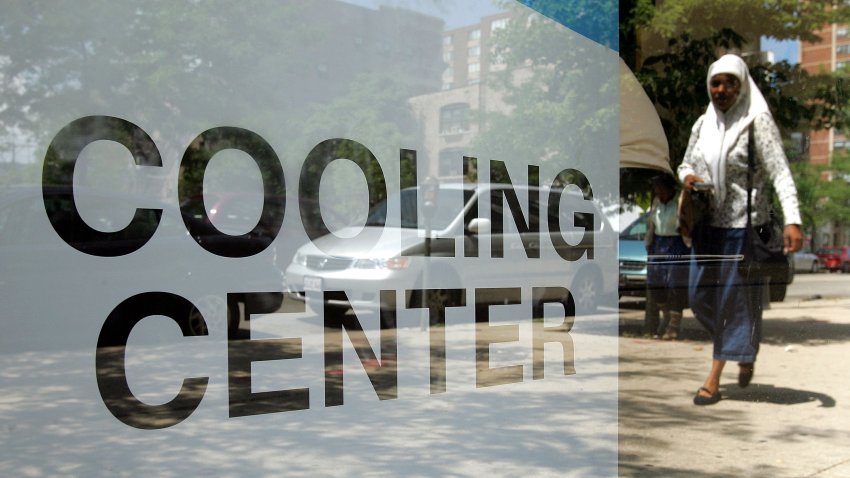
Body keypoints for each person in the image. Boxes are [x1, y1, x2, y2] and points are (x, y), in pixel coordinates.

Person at [678, 54, 803, 406]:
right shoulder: (703, 124)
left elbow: (779, 170)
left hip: (743, 227)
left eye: (729, 83)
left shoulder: (756, 121)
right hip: (708, 227)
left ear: (741, 85)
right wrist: (687, 177)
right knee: (699, 298)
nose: (721, 90)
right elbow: (686, 161)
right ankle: (744, 349)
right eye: (716, 83)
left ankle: (713, 379)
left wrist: (793, 218)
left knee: (731, 302)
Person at [644, 174, 690, 339]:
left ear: (670, 189)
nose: (659, 192)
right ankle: (666, 315)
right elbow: (651, 225)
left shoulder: (679, 202)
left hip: (677, 244)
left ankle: (673, 326)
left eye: (662, 189)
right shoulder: (656, 204)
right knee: (654, 283)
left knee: (675, 284)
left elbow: (686, 223)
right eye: (657, 189)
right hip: (659, 244)